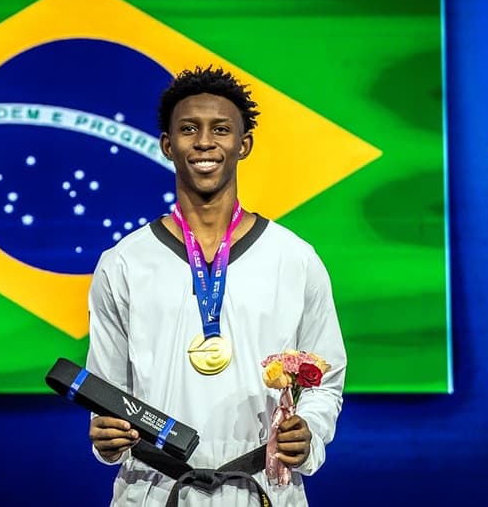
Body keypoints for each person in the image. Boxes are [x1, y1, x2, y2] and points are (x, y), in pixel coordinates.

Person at [86, 66, 346, 506]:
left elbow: (325, 380)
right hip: (154, 490)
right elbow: (107, 392)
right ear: (168, 145)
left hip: (264, 488)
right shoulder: (124, 262)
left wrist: (309, 435)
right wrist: (107, 438)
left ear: (243, 145)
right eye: (189, 129)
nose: (204, 142)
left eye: (220, 129)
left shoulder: (294, 259)